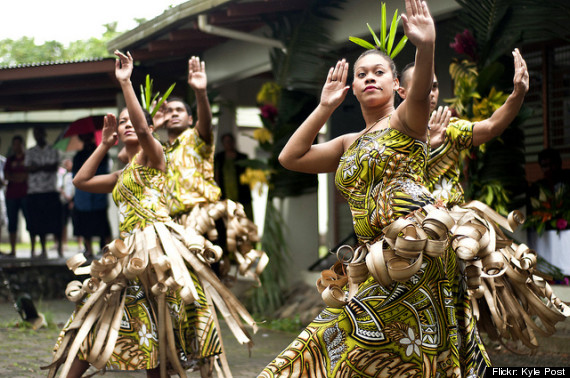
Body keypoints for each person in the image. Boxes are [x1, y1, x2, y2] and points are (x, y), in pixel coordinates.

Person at [259, 1, 567, 376]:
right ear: (352, 87)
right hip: (374, 259)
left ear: (396, 86)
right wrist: (324, 106)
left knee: (351, 341)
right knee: (376, 349)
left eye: (378, 72)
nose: (369, 78)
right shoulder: (346, 143)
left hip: (417, 249)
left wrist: (426, 46)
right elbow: (290, 158)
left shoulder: (406, 121)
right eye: (361, 74)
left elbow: (424, 94)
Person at [47, 51, 256, 378]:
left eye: (133, 120)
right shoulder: (120, 174)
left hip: (159, 251)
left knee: (163, 328)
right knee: (98, 320)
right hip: (127, 253)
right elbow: (80, 181)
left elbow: (145, 131)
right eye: (123, 122)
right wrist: (103, 145)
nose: (129, 125)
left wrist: (126, 82)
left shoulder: (154, 155)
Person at [396, 48, 529, 206]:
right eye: (422, 86)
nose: (430, 93)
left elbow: (491, 127)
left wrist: (518, 94)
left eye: (435, 87)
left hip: (451, 222)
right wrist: (425, 144)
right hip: (408, 224)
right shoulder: (390, 134)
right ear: (402, 92)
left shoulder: (449, 128)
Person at [24, 126, 62, 258]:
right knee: (37, 223)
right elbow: (29, 168)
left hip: (50, 190)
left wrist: (38, 167)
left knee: (55, 222)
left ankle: (59, 249)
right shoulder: (30, 151)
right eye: (35, 133)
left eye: (39, 133)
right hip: (34, 191)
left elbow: (53, 166)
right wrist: (44, 167)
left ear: (44, 133)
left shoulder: (53, 149)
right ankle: (42, 249)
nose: (37, 136)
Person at [72, 132, 112, 257]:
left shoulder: (102, 153)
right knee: (84, 224)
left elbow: (104, 170)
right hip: (83, 197)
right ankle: (88, 249)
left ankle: (108, 250)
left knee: (102, 224)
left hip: (98, 195)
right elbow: (76, 175)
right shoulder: (78, 156)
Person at [214, 133, 254, 220]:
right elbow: (216, 175)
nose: (228, 144)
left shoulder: (242, 157)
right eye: (226, 142)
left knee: (244, 219)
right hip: (225, 193)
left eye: (229, 141)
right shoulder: (219, 158)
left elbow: (249, 175)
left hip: (242, 193)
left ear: (233, 142)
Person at [3, 135, 28, 257]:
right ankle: (13, 249)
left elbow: (27, 175)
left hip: (25, 194)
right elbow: (7, 176)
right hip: (11, 195)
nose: (16, 147)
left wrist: (15, 177)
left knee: (30, 221)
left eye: (18, 144)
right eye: (14, 144)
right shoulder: (10, 159)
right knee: (12, 222)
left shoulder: (27, 158)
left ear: (22, 145)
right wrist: (19, 177)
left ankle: (33, 249)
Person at [57, 158, 75, 253]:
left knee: (75, 222)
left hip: (73, 201)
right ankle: (64, 243)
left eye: (68, 163)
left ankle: (80, 244)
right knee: (63, 224)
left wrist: (72, 200)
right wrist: (66, 197)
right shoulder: (63, 175)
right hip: (64, 201)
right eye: (65, 164)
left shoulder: (75, 174)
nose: (67, 165)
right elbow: (60, 187)